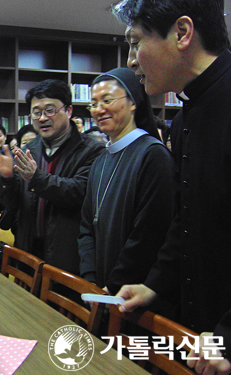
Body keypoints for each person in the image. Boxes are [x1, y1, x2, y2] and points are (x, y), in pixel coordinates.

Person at [111, 1, 231, 373]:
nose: (131, 60)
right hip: (200, 335)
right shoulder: (183, 120)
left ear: (182, 33)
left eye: (135, 42)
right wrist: (154, 286)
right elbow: (186, 220)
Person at [0, 80, 105, 276]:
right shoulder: (29, 150)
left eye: (50, 110)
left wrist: (36, 178)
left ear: (68, 111)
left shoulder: (92, 150)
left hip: (67, 257)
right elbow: (12, 203)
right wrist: (7, 178)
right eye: (36, 112)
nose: (42, 118)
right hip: (28, 253)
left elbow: (79, 192)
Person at [77, 68, 175, 301]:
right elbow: (86, 225)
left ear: (133, 102)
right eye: (93, 103)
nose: (99, 109)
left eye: (107, 100)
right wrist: (90, 278)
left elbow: (149, 234)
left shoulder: (152, 155)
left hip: (133, 292)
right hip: (100, 289)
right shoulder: (100, 160)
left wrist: (114, 284)